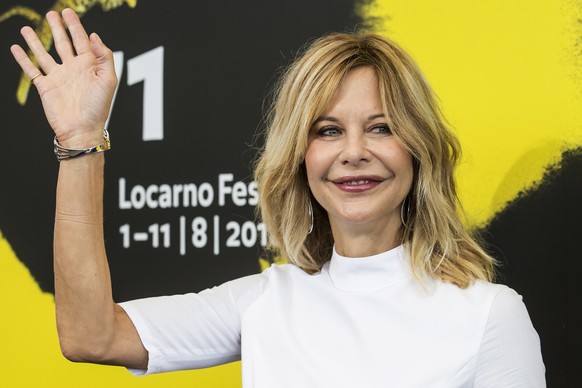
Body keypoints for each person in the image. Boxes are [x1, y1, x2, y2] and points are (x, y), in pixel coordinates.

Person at [11, 8, 545, 387]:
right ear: (300, 157)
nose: (353, 152)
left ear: (419, 149)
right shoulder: (267, 301)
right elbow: (90, 336)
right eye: (328, 130)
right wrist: (81, 140)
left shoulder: (489, 317)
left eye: (381, 128)